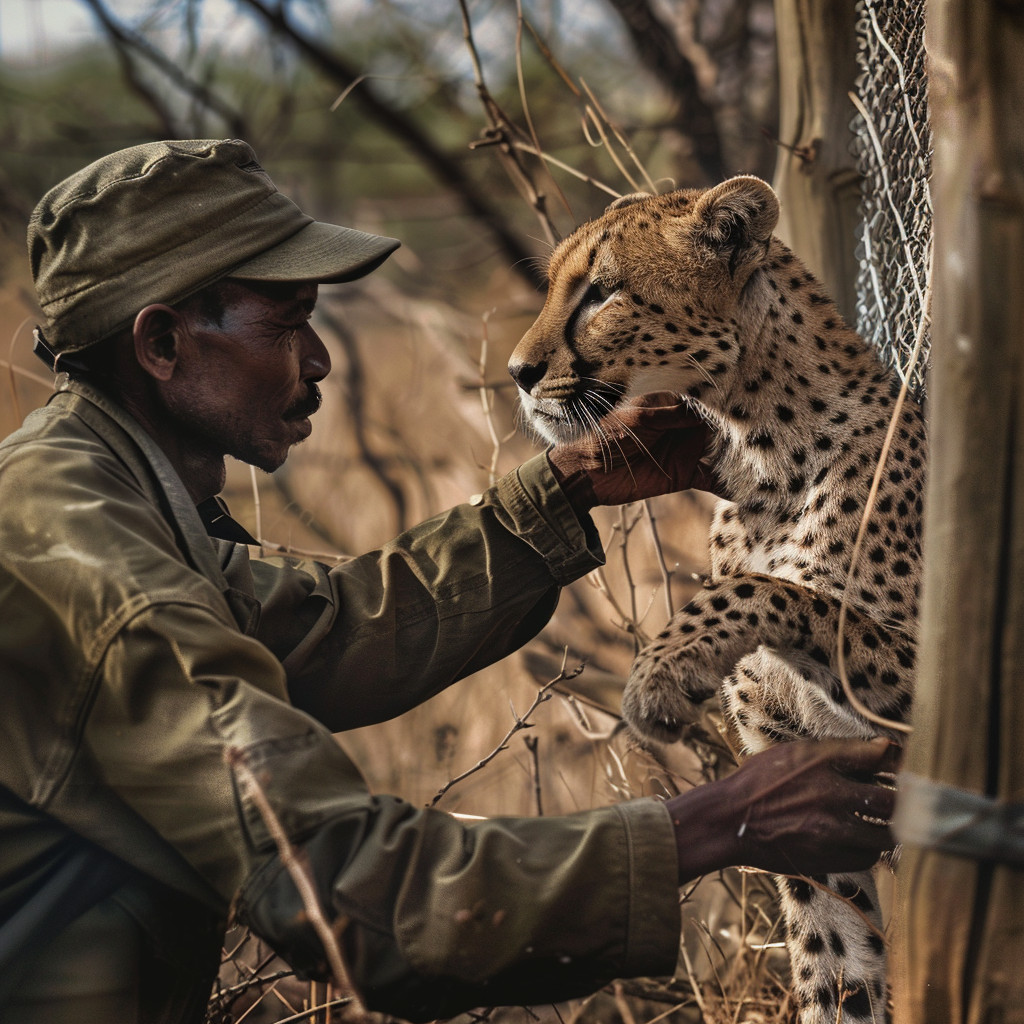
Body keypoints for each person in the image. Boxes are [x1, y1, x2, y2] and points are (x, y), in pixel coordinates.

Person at [0, 139, 897, 1024]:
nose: (318, 359)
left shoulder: (94, 490)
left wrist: (566, 491)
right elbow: (356, 896)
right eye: (285, 324)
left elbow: (328, 635)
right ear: (161, 344)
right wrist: (717, 823)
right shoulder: (85, 562)